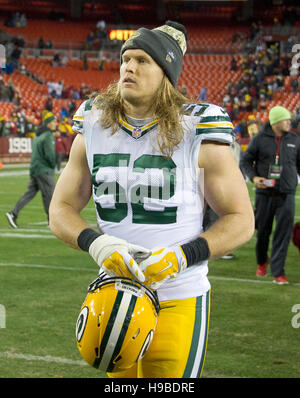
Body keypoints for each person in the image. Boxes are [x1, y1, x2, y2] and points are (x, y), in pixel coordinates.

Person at [49, 21, 254, 378]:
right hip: (113, 296)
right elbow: (61, 209)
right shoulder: (94, 122)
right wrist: (96, 244)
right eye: (126, 58)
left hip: (179, 295)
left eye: (143, 60)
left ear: (166, 73)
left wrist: (181, 257)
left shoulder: (197, 128)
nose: (128, 66)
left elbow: (240, 219)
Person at [240, 106, 300, 285]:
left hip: (287, 193)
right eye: (286, 119)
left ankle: (278, 272)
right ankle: (261, 261)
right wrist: (253, 177)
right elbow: (245, 160)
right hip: (264, 193)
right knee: (263, 232)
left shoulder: (295, 139)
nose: (290, 122)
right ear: (275, 122)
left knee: (283, 233)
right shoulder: (259, 139)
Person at [6, 111, 57, 228]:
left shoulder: (38, 134)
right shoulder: (48, 135)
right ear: (48, 123)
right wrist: (52, 166)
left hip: (35, 168)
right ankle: (52, 221)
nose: (55, 123)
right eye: (53, 121)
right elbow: (50, 155)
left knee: (30, 193)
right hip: (44, 170)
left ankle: (13, 213)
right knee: (50, 195)